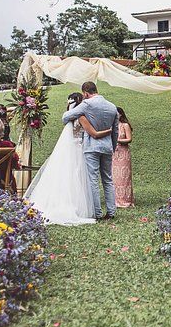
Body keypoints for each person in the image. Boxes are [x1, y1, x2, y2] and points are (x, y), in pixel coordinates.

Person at [25, 93, 112, 225]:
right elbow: (93, 133)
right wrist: (108, 131)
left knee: (69, 177)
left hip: (73, 148)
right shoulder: (81, 117)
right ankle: (79, 206)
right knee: (79, 178)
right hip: (80, 149)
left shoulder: (70, 118)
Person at [62, 82, 120, 220]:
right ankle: (111, 211)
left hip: (91, 147)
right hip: (107, 147)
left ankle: (97, 213)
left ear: (86, 93)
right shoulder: (112, 107)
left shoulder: (87, 104)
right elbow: (116, 130)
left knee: (92, 180)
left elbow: (66, 117)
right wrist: (112, 145)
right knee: (108, 180)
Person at [113, 106, 134, 208]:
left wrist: (118, 140)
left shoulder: (125, 125)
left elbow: (129, 139)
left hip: (123, 152)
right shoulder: (112, 126)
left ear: (121, 114)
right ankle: (115, 199)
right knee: (115, 176)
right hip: (114, 153)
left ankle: (125, 199)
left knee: (124, 176)